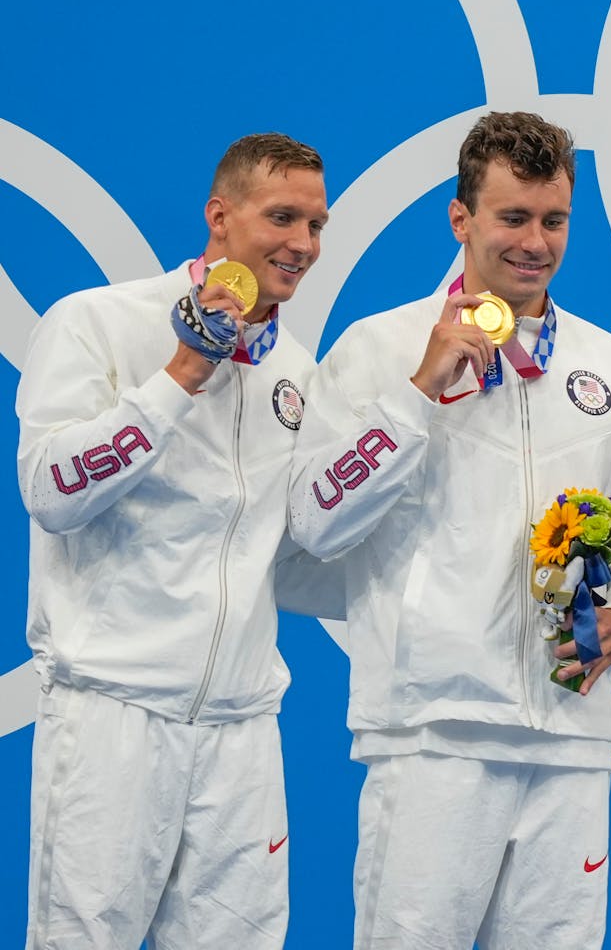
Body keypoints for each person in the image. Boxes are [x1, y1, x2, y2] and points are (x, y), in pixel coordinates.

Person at [287, 110, 611, 950]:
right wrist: (420, 393)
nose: (536, 242)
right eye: (513, 217)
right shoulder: (378, 349)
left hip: (572, 737)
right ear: (461, 218)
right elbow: (314, 522)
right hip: (433, 734)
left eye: (555, 219)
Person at [17, 132, 332, 949]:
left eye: (317, 224)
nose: (303, 244)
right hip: (113, 720)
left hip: (243, 735)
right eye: (283, 217)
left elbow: (293, 553)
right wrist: (180, 377)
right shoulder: (97, 322)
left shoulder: (296, 372)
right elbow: (50, 492)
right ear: (219, 216)